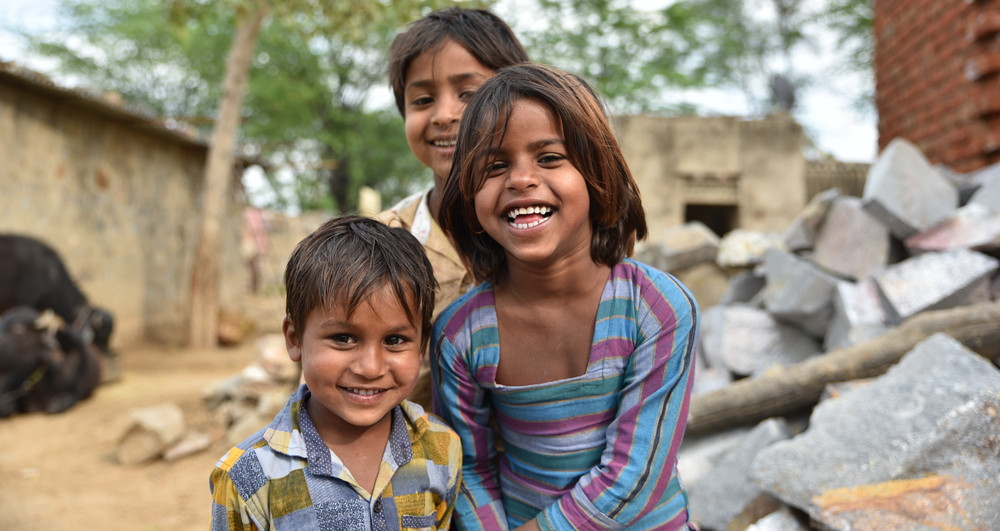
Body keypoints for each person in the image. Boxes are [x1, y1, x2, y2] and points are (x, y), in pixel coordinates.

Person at [433, 63, 700, 530]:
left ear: (598, 174)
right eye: (495, 166)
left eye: (550, 158)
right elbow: (469, 469)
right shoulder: (460, 334)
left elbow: (635, 476)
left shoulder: (658, 308)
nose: (520, 179)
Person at [209, 215, 462, 531]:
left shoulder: (441, 448)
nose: (370, 368)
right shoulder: (247, 476)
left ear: (421, 345)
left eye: (394, 340)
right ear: (294, 339)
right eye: (343, 338)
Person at [377, 6, 530, 408]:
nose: (445, 115)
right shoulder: (380, 243)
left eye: (469, 94)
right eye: (423, 99)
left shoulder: (543, 228)